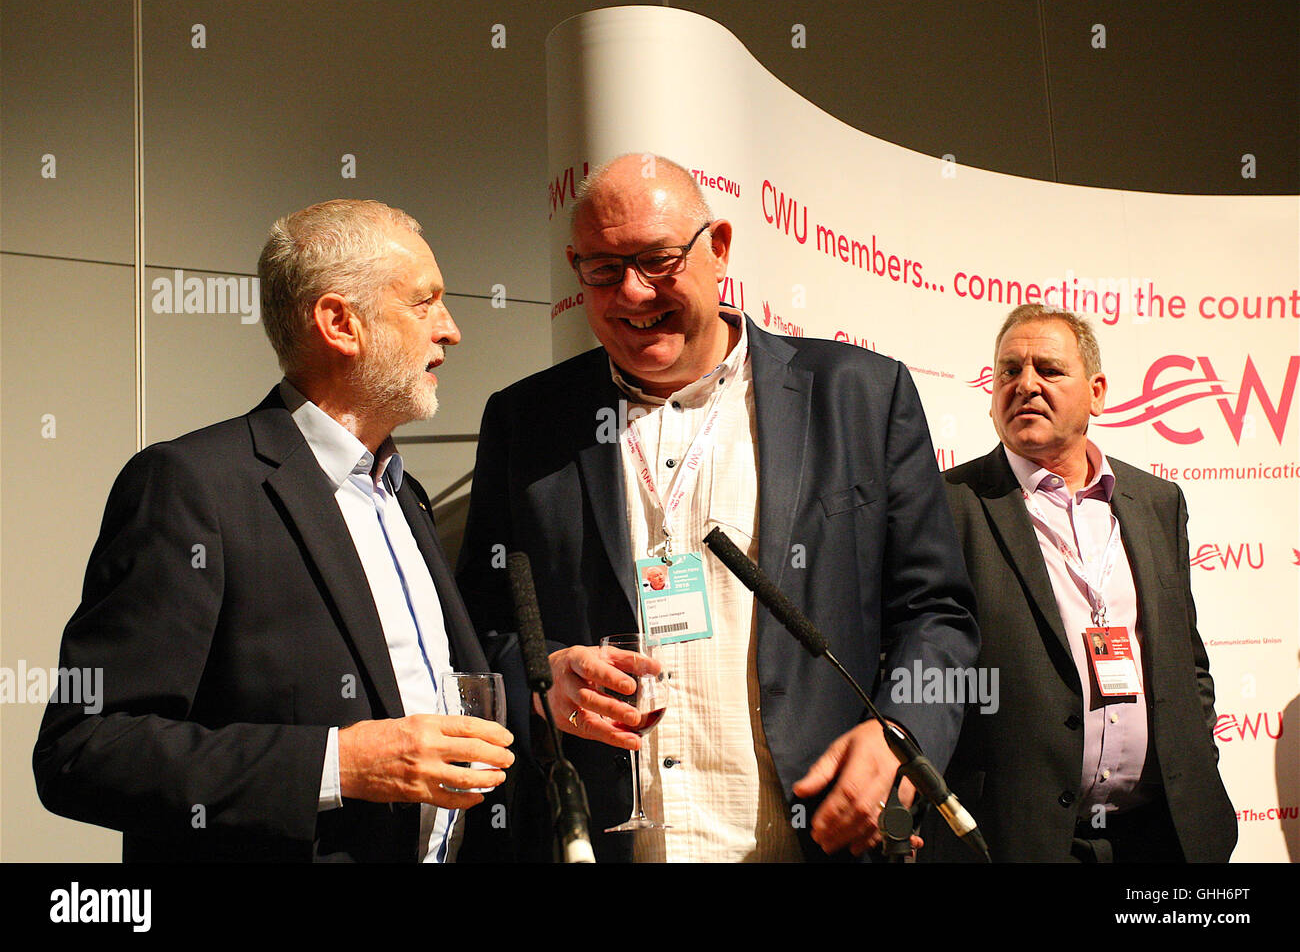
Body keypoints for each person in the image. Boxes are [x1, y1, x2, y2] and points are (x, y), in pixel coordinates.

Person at [456, 154, 978, 862]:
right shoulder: (526, 422)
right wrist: (543, 679)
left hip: (815, 839)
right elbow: (478, 631)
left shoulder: (858, 394)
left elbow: (936, 616)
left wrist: (902, 739)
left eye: (658, 260)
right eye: (603, 269)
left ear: (720, 248)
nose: (634, 293)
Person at [33, 199, 514, 862]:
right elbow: (86, 750)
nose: (451, 329)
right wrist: (340, 763)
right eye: (425, 302)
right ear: (341, 323)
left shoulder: (408, 497)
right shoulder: (194, 486)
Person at [924, 304, 1236, 862]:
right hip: (1019, 838)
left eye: (1048, 369)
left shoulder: (1157, 502)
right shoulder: (949, 504)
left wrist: (1197, 755)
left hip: (1163, 835)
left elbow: (1186, 661)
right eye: (1009, 372)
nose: (1026, 386)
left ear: (1096, 392)